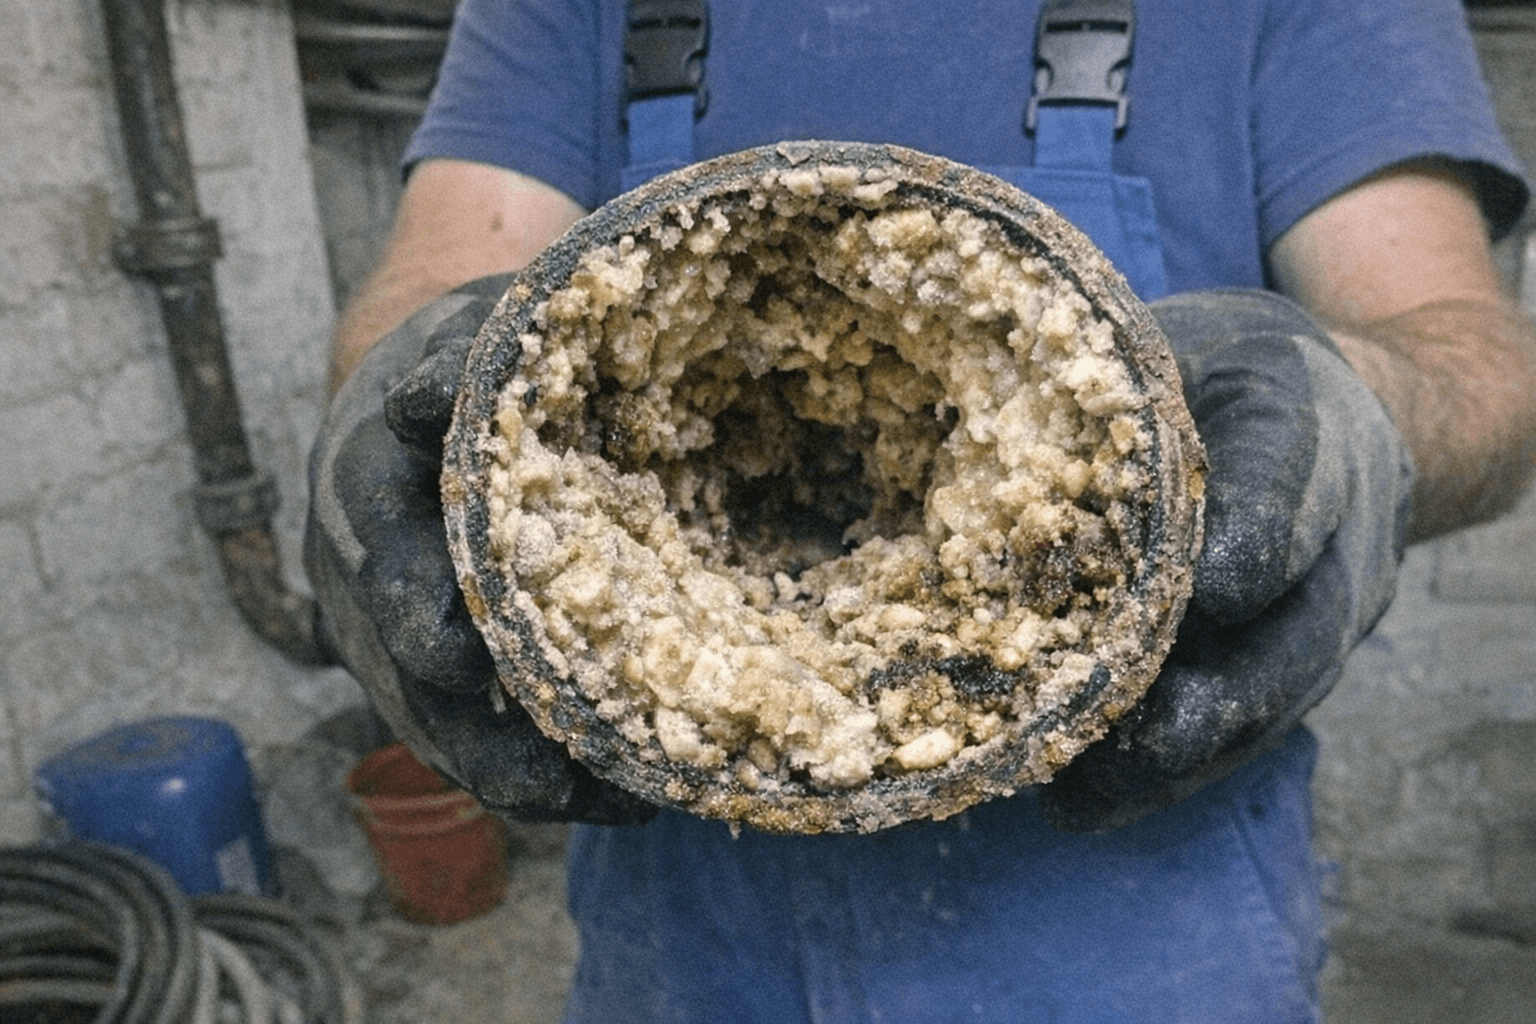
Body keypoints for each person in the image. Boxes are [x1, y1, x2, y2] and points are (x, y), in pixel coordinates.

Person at [305, 1, 1536, 1020]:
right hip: (685, 945)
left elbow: (1470, 360)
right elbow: (431, 279)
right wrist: (385, 388)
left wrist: (1363, 403)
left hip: (1147, 941)